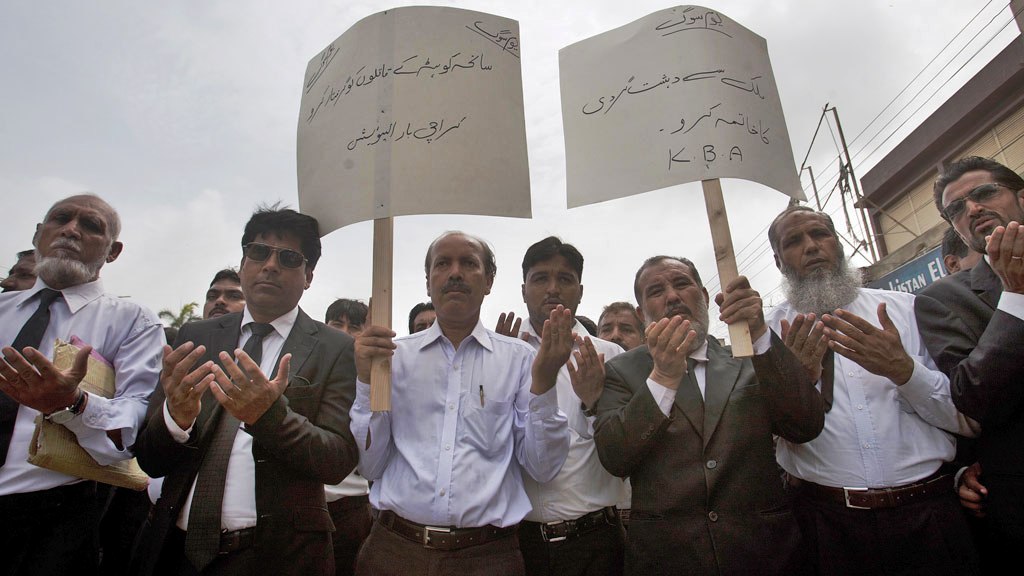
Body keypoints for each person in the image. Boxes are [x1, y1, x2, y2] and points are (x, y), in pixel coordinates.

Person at [132, 206, 359, 576]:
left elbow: (337, 460)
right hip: (173, 549)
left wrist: (269, 416)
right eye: (258, 252)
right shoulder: (196, 336)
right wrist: (175, 419)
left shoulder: (335, 348)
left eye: (288, 257)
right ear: (242, 264)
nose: (270, 265)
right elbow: (149, 461)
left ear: (309, 276)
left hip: (275, 557)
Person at [766, 205, 978, 575]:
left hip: (931, 517)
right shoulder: (765, 337)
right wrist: (797, 384)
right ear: (779, 260)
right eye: (794, 241)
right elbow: (760, 437)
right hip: (826, 528)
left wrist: (905, 371)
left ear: (839, 244)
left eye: (821, 234)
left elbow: (968, 417)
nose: (812, 247)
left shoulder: (908, 310)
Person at [351, 231, 572, 575]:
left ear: (488, 281)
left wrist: (544, 384)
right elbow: (370, 465)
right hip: (395, 550)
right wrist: (366, 382)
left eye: (469, 263)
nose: (455, 272)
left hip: (486, 557)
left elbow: (542, 467)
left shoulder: (519, 360)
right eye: (443, 263)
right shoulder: (392, 358)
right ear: (428, 282)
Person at [593, 255, 824, 575]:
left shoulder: (750, 357)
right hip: (669, 559)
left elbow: (804, 425)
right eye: (656, 290)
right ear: (641, 313)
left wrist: (758, 332)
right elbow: (615, 456)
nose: (672, 296)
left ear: (703, 296)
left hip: (764, 554)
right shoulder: (620, 371)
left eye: (682, 284)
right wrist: (662, 377)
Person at [0, 194, 163, 576]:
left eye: (90, 226)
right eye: (61, 219)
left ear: (113, 251)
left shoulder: (132, 321)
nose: (71, 229)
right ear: (40, 234)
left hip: (50, 518)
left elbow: (135, 421)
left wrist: (72, 404)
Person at [916, 156, 1024, 568]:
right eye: (957, 209)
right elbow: (973, 398)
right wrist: (1016, 295)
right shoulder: (944, 301)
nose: (972, 209)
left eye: (983, 193)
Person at [497, 236, 626, 576]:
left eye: (565, 279)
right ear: (524, 289)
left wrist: (594, 403)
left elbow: (624, 445)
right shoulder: (500, 353)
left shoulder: (610, 357)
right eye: (540, 278)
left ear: (580, 291)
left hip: (596, 542)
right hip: (518, 544)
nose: (552, 288)